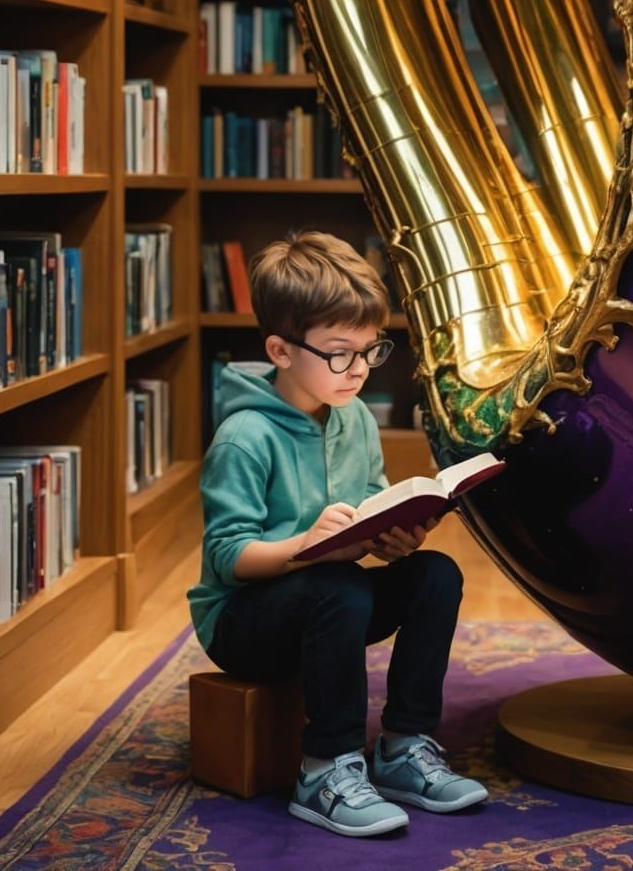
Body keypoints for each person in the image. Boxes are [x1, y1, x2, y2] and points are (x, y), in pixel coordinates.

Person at [187, 229, 488, 837]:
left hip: (329, 603)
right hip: (243, 622)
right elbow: (226, 556)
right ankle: (325, 768)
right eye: (339, 354)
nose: (358, 370)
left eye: (371, 351)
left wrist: (394, 534)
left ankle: (403, 746)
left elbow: (372, 497)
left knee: (435, 575)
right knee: (339, 588)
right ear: (281, 351)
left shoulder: (355, 419)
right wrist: (306, 547)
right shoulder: (244, 437)